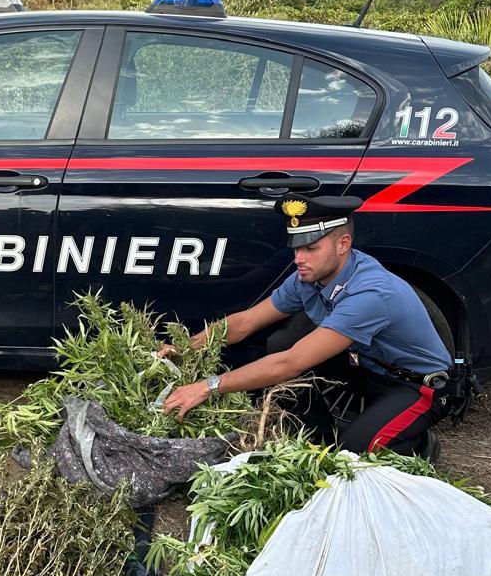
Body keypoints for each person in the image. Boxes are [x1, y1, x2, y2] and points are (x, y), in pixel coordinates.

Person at [161, 193, 455, 458]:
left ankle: (420, 444)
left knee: (354, 453)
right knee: (281, 341)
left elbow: (291, 364)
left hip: (416, 386)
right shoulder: (310, 275)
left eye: (311, 248)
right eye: (296, 248)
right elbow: (245, 321)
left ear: (343, 244)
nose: (299, 259)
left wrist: (208, 386)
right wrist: (184, 348)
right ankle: (319, 438)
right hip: (367, 367)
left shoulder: (370, 293)